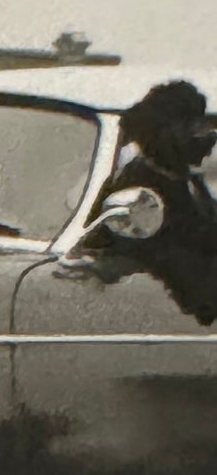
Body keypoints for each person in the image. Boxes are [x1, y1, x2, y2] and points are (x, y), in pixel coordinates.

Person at [92, 79, 217, 324]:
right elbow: (167, 254)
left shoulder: (186, 181)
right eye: (191, 123)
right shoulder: (137, 190)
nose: (205, 134)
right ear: (162, 132)